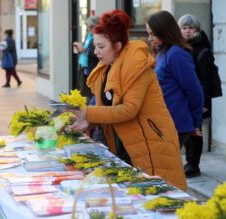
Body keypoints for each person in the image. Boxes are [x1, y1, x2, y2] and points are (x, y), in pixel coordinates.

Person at [68, 9, 187, 190]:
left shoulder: (137, 65)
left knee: (157, 199)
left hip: (150, 143)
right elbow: (103, 107)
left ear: (117, 46)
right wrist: (87, 121)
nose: (96, 52)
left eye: (101, 47)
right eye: (95, 46)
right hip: (123, 144)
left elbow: (128, 109)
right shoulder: (105, 67)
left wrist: (87, 113)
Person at [146, 11, 204, 148]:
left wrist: (195, 123)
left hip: (176, 123)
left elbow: (195, 91)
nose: (149, 38)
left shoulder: (176, 54)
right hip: (164, 121)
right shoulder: (162, 53)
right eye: (148, 34)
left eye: (153, 34)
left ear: (165, 32)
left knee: (166, 167)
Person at [178, 14, 221, 177]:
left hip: (198, 98)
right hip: (185, 97)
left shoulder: (202, 50)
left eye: (191, 28)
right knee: (188, 130)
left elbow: (206, 79)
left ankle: (193, 164)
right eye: (184, 28)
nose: (188, 31)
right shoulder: (181, 47)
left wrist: (203, 103)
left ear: (197, 30)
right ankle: (189, 162)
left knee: (195, 131)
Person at [73, 16, 99, 102]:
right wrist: (80, 48)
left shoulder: (99, 36)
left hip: (93, 67)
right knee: (85, 90)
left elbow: (98, 52)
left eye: (91, 27)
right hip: (85, 66)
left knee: (93, 91)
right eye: (89, 27)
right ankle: (87, 108)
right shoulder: (89, 35)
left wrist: (85, 50)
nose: (90, 29)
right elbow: (86, 46)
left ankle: (91, 109)